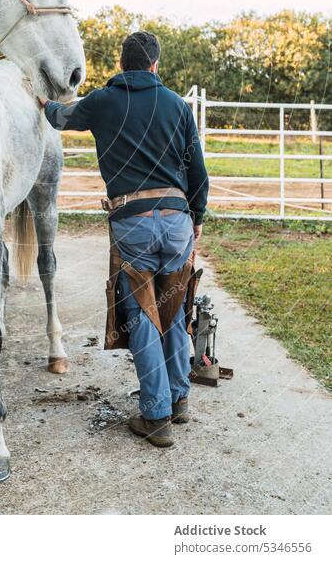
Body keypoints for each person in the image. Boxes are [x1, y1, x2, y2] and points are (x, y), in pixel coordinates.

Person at [38, 30, 209, 447]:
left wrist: (42, 102)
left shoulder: (103, 101)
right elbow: (197, 170)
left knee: (145, 317)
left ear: (122, 64)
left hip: (132, 221)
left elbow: (61, 118)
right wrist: (197, 216)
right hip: (177, 219)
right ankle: (179, 397)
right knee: (174, 306)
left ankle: (156, 415)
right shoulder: (176, 106)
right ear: (155, 65)